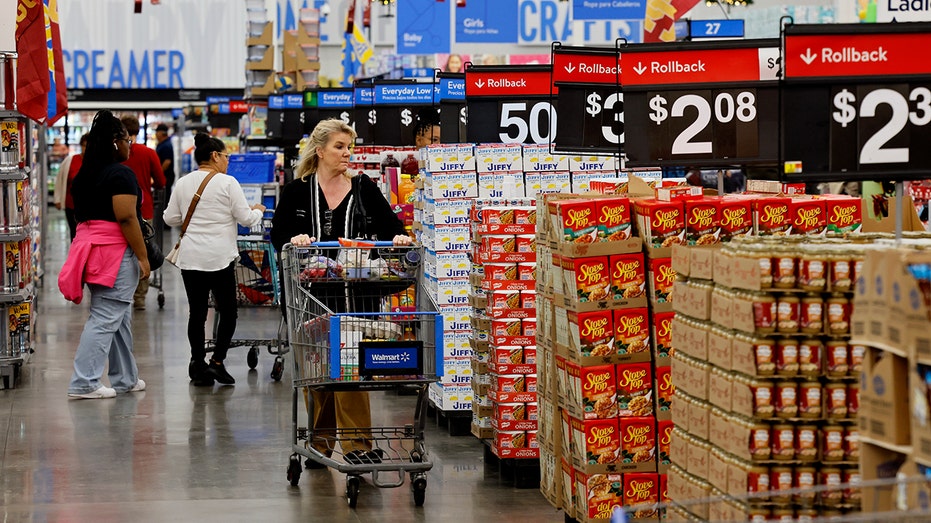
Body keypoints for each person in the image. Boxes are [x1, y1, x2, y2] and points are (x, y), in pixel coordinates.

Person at [270, 118, 411, 465]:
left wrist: (399, 238)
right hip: (310, 301)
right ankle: (320, 445)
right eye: (339, 147)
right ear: (320, 151)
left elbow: (393, 226)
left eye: (350, 147)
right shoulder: (297, 190)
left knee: (348, 371)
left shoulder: (364, 187)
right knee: (317, 376)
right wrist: (294, 239)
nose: (347, 153)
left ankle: (357, 446)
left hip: (356, 300)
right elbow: (278, 235)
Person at [163, 133, 265, 387]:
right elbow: (245, 219)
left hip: (191, 259)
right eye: (226, 156)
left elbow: (169, 218)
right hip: (220, 258)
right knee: (228, 312)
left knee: (196, 314)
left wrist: (193, 220)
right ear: (215, 155)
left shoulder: (184, 183)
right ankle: (217, 363)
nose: (228, 161)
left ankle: (198, 364)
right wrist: (258, 211)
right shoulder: (228, 183)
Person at [58, 110, 148, 399]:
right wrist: (143, 256)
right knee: (106, 316)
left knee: (118, 317)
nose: (130, 144)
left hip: (91, 250)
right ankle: (84, 382)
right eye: (126, 139)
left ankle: (126, 378)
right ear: (114, 142)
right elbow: (126, 218)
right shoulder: (120, 174)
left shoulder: (85, 174)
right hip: (115, 253)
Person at [120, 115, 166, 310]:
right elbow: (161, 182)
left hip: (117, 211)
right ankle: (139, 297)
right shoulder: (148, 153)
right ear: (138, 130)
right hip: (144, 211)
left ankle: (121, 293)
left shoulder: (115, 154)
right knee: (143, 251)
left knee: (122, 252)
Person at [53, 133, 88, 240]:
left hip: (90, 207)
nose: (87, 149)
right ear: (81, 146)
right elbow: (60, 180)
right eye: (85, 145)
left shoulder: (98, 163)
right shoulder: (70, 160)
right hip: (71, 206)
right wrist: (57, 199)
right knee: (75, 233)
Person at [155, 123, 176, 201]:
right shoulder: (162, 144)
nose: (156, 134)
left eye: (157, 132)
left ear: (162, 133)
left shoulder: (166, 145)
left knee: (164, 198)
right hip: (165, 175)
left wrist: (159, 173)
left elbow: (167, 162)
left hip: (166, 176)